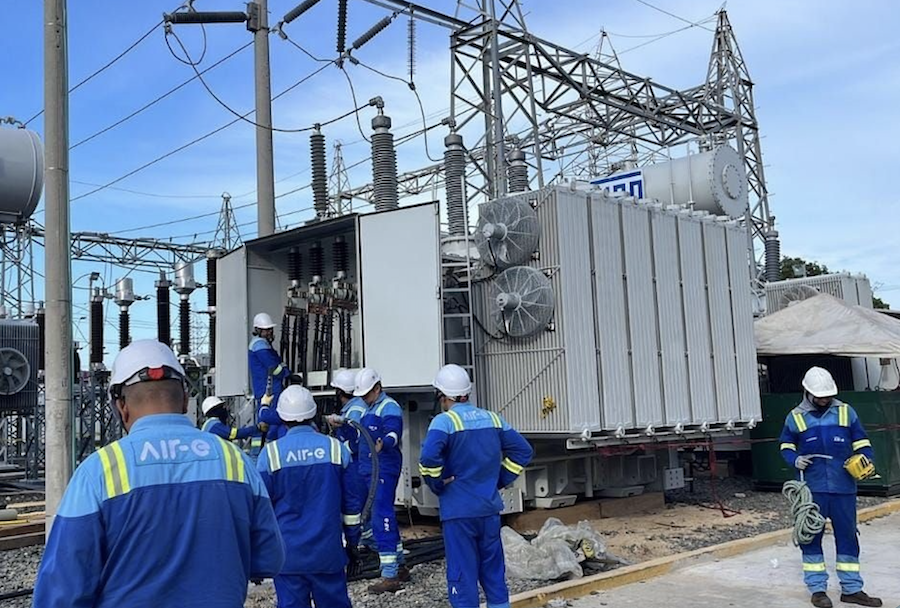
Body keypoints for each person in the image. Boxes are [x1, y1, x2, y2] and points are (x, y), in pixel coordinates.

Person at [33, 340, 284, 608]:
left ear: (121, 406)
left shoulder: (99, 472)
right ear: (185, 399)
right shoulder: (235, 461)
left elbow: (61, 591)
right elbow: (268, 558)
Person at [419, 364, 533, 608]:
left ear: (443, 396)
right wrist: (500, 479)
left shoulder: (444, 422)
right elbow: (523, 451)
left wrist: (436, 483)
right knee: (493, 570)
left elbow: (428, 458)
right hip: (489, 508)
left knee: (463, 573)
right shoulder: (492, 418)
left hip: (458, 511)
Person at [779, 366, 882, 608]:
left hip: (844, 487)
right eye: (820, 396)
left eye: (827, 395)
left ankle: (852, 589)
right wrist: (794, 460)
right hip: (812, 489)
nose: (825, 399)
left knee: (847, 537)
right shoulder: (795, 417)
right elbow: (785, 445)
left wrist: (866, 458)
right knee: (811, 537)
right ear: (808, 392)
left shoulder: (846, 412)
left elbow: (862, 441)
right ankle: (817, 590)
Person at [257, 385, 361, 608]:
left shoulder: (271, 455)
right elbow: (352, 505)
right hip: (327, 553)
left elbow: (260, 509)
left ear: (283, 418)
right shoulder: (336, 449)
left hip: (287, 556)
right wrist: (353, 543)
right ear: (313, 414)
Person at [355, 367, 410, 593]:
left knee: (381, 517)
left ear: (378, 388)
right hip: (370, 469)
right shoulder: (369, 408)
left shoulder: (389, 407)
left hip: (383, 469)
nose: (364, 398)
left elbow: (393, 432)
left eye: (367, 393)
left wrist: (384, 443)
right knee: (379, 515)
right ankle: (400, 566)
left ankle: (389, 575)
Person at [327, 370, 369, 547]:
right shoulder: (354, 408)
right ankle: (365, 540)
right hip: (358, 464)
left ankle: (362, 542)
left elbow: (359, 441)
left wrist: (338, 448)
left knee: (357, 505)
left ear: (340, 392)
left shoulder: (355, 410)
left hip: (357, 465)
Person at [249, 312, 291, 450]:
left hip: (266, 389)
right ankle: (268, 450)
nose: (269, 332)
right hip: (269, 389)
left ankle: (258, 452)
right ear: (258, 330)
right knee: (272, 420)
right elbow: (273, 368)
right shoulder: (261, 346)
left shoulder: (261, 344)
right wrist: (287, 374)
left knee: (263, 423)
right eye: (266, 329)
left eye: (270, 329)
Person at [201, 395, 268, 443]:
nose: (225, 409)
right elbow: (233, 434)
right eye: (221, 407)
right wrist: (256, 428)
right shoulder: (214, 424)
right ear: (214, 410)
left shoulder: (209, 425)